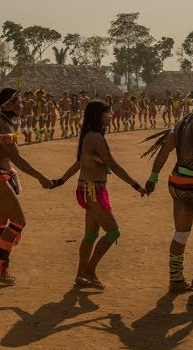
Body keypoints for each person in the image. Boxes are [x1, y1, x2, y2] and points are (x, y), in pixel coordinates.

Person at [142, 75, 193, 295]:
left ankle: (177, 280)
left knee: (181, 233)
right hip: (190, 185)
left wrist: (153, 178)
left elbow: (163, 152)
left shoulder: (180, 124)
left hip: (175, 181)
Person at [50, 100, 146, 289]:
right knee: (113, 232)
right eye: (107, 113)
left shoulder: (90, 136)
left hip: (89, 189)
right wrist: (136, 185)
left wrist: (61, 180)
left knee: (91, 235)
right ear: (98, 116)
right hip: (93, 190)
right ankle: (89, 270)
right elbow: (113, 164)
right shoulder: (96, 137)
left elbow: (80, 163)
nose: (110, 116)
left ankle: (80, 275)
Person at [0, 88, 55, 284]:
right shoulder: (2, 124)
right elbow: (17, 158)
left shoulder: (3, 120)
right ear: (7, 104)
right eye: (18, 102)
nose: (22, 105)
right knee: (18, 222)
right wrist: (41, 177)